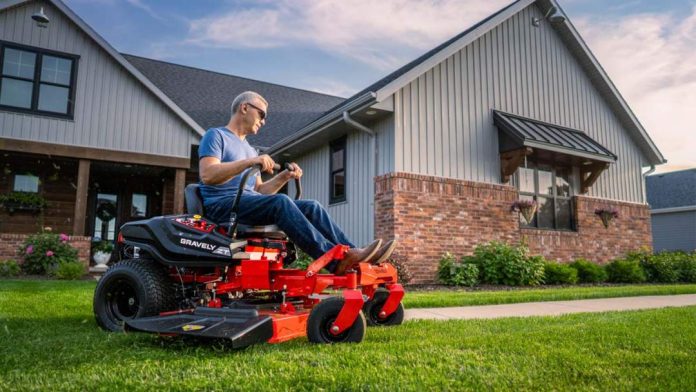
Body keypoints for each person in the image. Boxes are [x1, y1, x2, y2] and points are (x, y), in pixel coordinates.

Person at [198, 91, 396, 274]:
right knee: (281, 201)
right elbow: (208, 174)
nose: (264, 121)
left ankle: (355, 255)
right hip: (223, 205)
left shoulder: (250, 149)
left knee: (312, 206)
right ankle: (335, 261)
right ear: (244, 108)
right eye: (262, 114)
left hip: (245, 203)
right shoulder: (216, 135)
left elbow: (259, 190)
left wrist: (284, 176)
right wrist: (250, 162)